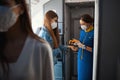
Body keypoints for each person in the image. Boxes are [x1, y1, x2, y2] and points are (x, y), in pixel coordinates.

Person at [0, 0, 54, 80]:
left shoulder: (40, 48)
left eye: (4, 4)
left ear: (21, 8)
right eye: (54, 20)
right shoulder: (44, 33)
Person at [37, 10, 68, 80]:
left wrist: (67, 47)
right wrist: (58, 51)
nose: (56, 23)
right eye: (55, 21)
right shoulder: (44, 34)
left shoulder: (50, 31)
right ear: (49, 20)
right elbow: (47, 53)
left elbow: (56, 44)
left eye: (56, 21)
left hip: (50, 63)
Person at [69, 14, 94, 80]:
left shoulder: (94, 32)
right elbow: (80, 45)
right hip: (80, 59)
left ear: (89, 23)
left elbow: (95, 50)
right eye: (80, 24)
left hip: (88, 60)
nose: (81, 26)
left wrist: (84, 46)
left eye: (83, 24)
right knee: (80, 77)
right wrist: (76, 48)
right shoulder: (82, 31)